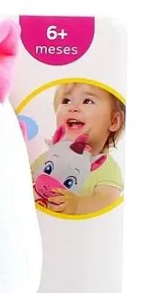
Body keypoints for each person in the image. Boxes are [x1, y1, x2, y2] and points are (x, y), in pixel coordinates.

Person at [31, 82, 125, 215]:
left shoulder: (108, 169)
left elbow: (107, 203)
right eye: (66, 101)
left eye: (87, 101)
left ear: (114, 120)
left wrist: (77, 205)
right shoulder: (49, 157)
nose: (73, 107)